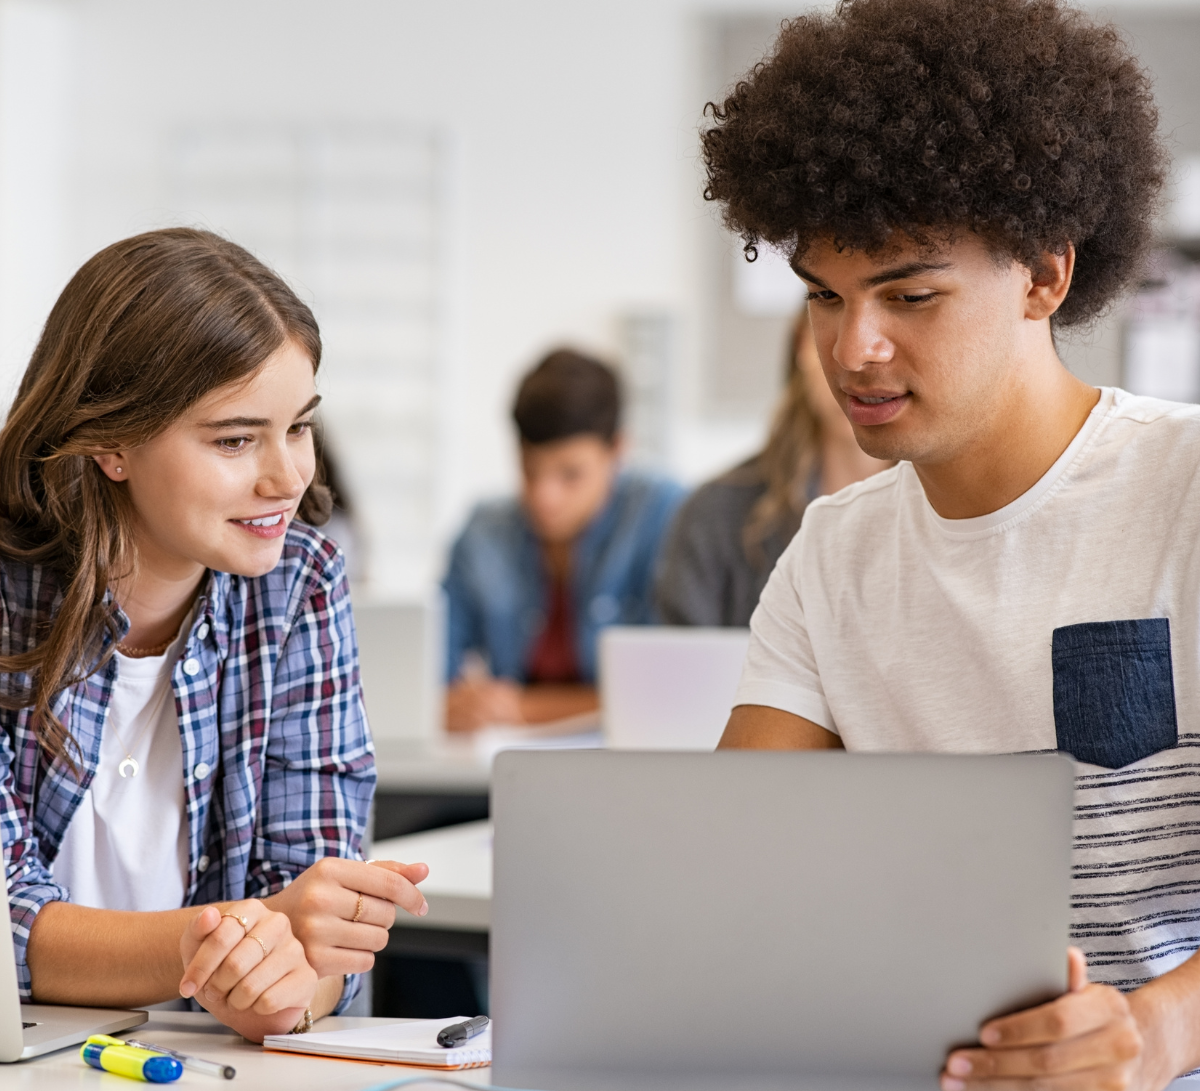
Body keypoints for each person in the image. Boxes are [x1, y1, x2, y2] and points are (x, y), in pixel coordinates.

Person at [706, 0, 1195, 1091]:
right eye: (823, 297)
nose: (853, 350)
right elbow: (729, 874)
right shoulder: (836, 554)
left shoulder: (1181, 492)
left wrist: (1157, 1033)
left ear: (1045, 274)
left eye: (908, 297)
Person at [0, 228, 428, 1043]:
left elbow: (320, 919)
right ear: (110, 443)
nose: (287, 476)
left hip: (207, 1077)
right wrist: (236, 935)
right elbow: (2, 921)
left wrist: (290, 992)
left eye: (298, 427)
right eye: (236, 439)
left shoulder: (301, 588)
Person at [443, 349, 684, 732]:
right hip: (507, 764)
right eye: (529, 469)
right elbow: (432, 681)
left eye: (570, 474)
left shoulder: (667, 515)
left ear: (617, 450)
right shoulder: (483, 530)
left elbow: (672, 694)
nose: (544, 496)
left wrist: (523, 709)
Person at [656, 307, 891, 626]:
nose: (856, 366)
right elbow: (684, 665)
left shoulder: (961, 511)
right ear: (800, 347)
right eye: (832, 339)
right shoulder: (714, 513)